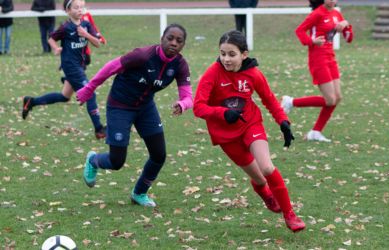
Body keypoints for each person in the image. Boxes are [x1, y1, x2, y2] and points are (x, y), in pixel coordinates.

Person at [193, 30, 305, 233]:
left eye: (231, 54)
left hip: (250, 124)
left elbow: (269, 99)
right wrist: (222, 113)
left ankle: (290, 215)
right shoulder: (212, 73)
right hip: (226, 136)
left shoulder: (253, 73)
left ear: (244, 54)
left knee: (267, 168)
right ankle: (265, 193)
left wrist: (283, 122)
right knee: (260, 179)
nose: (226, 59)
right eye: (222, 53)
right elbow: (198, 107)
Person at [76, 23, 193, 207]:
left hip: (145, 108)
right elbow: (111, 67)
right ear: (162, 38)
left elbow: (187, 96)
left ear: (183, 45)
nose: (174, 43)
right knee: (116, 161)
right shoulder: (143, 55)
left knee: (159, 155)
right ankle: (93, 160)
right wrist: (89, 88)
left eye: (179, 41)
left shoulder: (180, 65)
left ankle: (139, 193)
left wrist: (182, 104)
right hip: (120, 105)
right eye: (170, 38)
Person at [22, 0, 106, 139]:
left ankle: (31, 101)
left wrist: (86, 35)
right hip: (70, 66)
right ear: (68, 11)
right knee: (90, 93)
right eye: (76, 7)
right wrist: (56, 48)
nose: (80, 10)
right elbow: (51, 38)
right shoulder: (66, 27)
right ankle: (99, 129)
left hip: (80, 66)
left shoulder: (86, 25)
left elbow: (97, 43)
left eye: (81, 7)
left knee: (64, 96)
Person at [281, 0, 353, 142]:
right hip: (318, 58)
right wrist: (311, 41)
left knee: (337, 98)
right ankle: (291, 102)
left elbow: (349, 38)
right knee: (330, 99)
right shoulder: (317, 14)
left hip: (331, 58)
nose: (332, 0)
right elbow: (299, 30)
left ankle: (315, 132)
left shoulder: (336, 13)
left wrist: (346, 25)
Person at [81, 0, 106, 65]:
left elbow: (93, 26)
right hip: (74, 47)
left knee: (87, 61)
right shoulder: (73, 14)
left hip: (84, 45)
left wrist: (99, 37)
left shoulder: (87, 14)